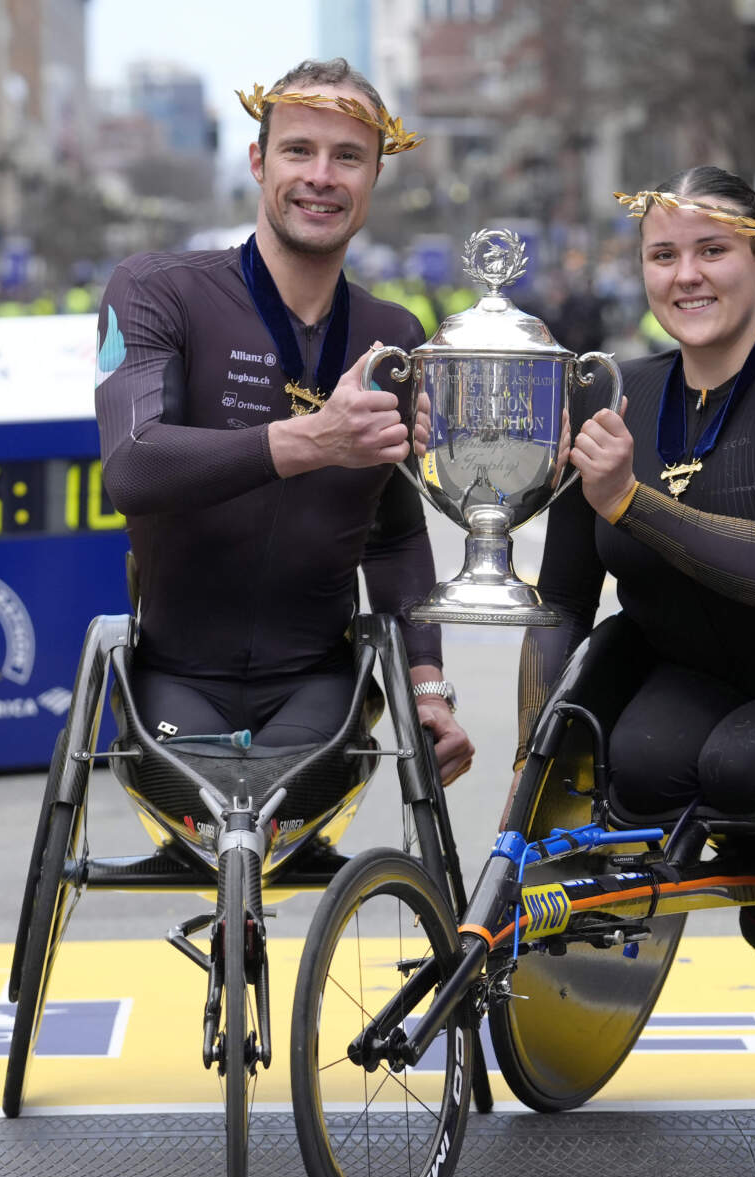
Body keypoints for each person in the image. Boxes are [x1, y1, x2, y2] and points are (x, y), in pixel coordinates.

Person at [508, 167, 755, 957]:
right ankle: (751, 846)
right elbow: (561, 598)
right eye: (662, 256)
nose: (685, 275)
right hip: (693, 664)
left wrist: (630, 501)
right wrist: (532, 766)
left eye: (712, 250)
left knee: (738, 766)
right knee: (640, 763)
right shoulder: (609, 396)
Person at [93, 58, 472, 782]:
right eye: (299, 150)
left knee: (284, 802)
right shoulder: (155, 289)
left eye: (348, 157)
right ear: (258, 162)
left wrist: (428, 687)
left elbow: (394, 538)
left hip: (320, 691)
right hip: (172, 683)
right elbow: (133, 468)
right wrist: (315, 439)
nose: (322, 176)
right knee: (220, 813)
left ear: (374, 180)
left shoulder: (392, 331)